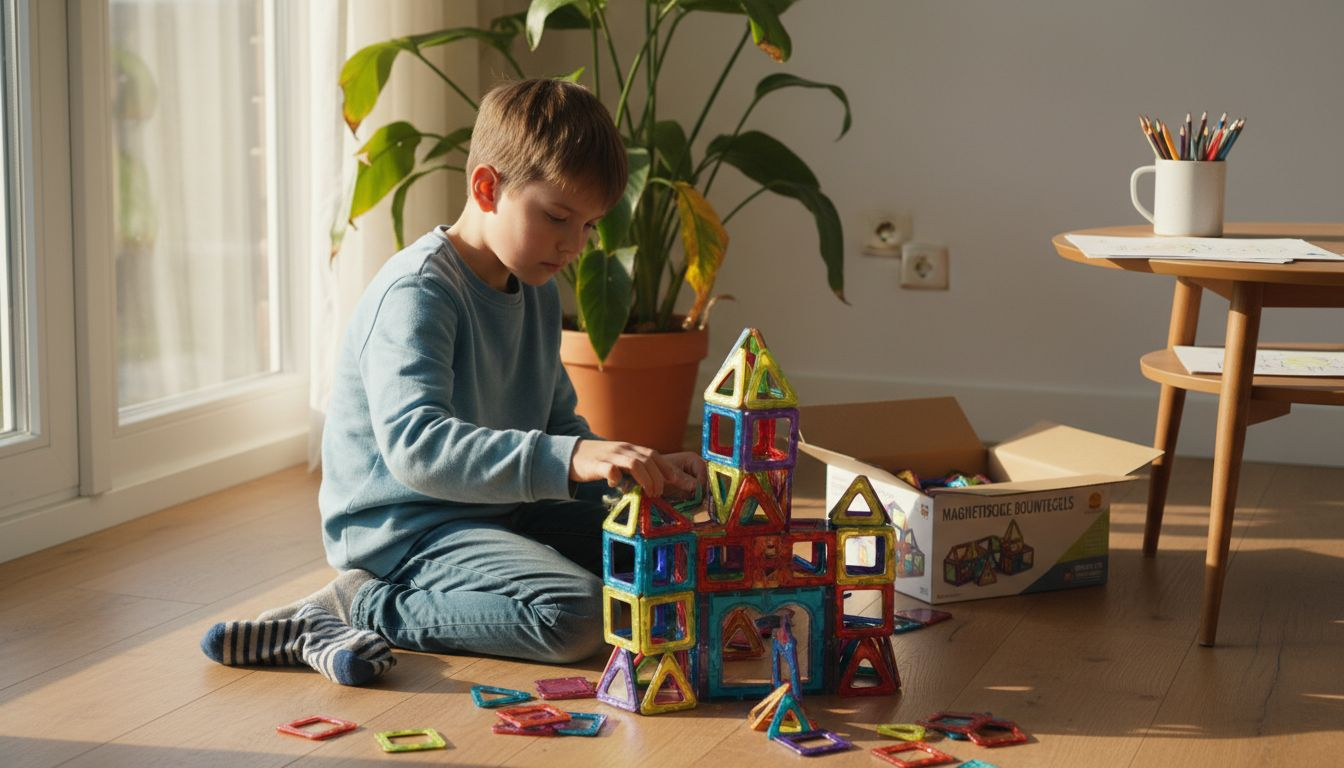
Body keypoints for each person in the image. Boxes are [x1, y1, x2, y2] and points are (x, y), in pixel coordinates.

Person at [200, 79, 704, 683]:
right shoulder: (417, 293)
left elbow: (557, 425)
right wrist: (570, 457)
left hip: (500, 510)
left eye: (590, 227)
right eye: (558, 218)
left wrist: (632, 477)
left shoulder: (536, 287)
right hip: (408, 528)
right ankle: (356, 605)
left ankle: (464, 580)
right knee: (576, 617)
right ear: (487, 188)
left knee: (667, 557)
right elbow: (418, 449)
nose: (574, 246)